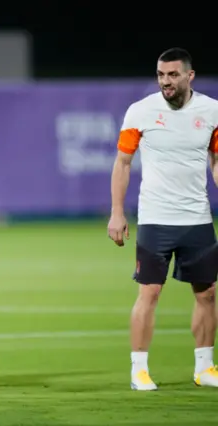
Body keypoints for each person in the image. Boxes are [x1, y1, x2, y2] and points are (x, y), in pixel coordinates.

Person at [108, 47, 218, 391]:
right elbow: (122, 163)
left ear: (190, 76)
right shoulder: (140, 111)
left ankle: (205, 367)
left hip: (198, 218)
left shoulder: (212, 111)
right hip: (155, 218)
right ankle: (139, 370)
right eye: (160, 75)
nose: (165, 81)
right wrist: (117, 212)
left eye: (172, 75)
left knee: (208, 294)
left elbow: (216, 160)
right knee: (150, 293)